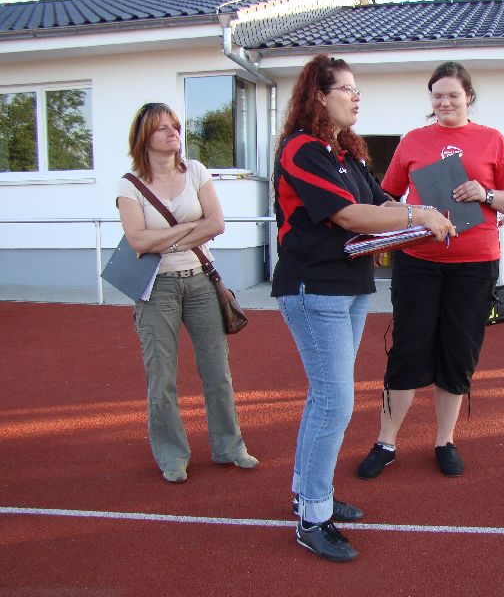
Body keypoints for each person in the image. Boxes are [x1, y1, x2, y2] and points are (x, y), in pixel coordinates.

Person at [272, 54, 453, 562]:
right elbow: (350, 216)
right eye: (347, 89)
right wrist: (419, 214)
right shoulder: (302, 149)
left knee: (325, 399)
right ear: (319, 96)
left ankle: (309, 494)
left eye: (357, 89)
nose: (356, 97)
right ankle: (313, 517)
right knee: (335, 403)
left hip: (349, 287)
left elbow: (383, 204)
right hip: (314, 288)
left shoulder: (345, 153)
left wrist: (425, 211)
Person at [356, 61, 504, 480]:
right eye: (438, 96)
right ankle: (386, 442)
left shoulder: (493, 140)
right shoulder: (413, 140)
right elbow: (387, 198)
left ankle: (444, 440)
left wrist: (486, 193)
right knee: (407, 350)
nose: (445, 102)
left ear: (468, 96)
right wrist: (407, 217)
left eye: (453, 95)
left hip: (475, 266)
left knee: (458, 352)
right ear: (430, 100)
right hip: (419, 262)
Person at [116, 103, 258, 484]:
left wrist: (165, 239)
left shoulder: (195, 171)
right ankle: (172, 455)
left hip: (200, 281)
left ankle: (229, 446)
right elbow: (137, 241)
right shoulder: (130, 185)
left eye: (175, 126)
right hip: (155, 288)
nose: (173, 133)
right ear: (144, 137)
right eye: (162, 128)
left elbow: (217, 223)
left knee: (217, 371)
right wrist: (187, 229)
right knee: (161, 377)